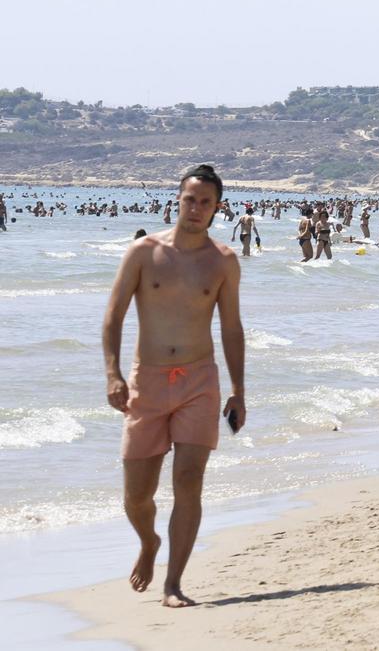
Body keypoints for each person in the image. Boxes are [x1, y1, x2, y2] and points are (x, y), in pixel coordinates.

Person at [102, 164, 246, 608]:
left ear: (217, 208)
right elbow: (113, 316)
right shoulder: (144, 253)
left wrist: (238, 390)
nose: (197, 208)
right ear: (177, 200)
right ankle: (149, 542)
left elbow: (232, 329)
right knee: (137, 497)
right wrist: (113, 373)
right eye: (190, 199)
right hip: (146, 382)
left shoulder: (223, 261)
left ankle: (174, 584)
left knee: (189, 479)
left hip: (199, 382)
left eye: (206, 202)